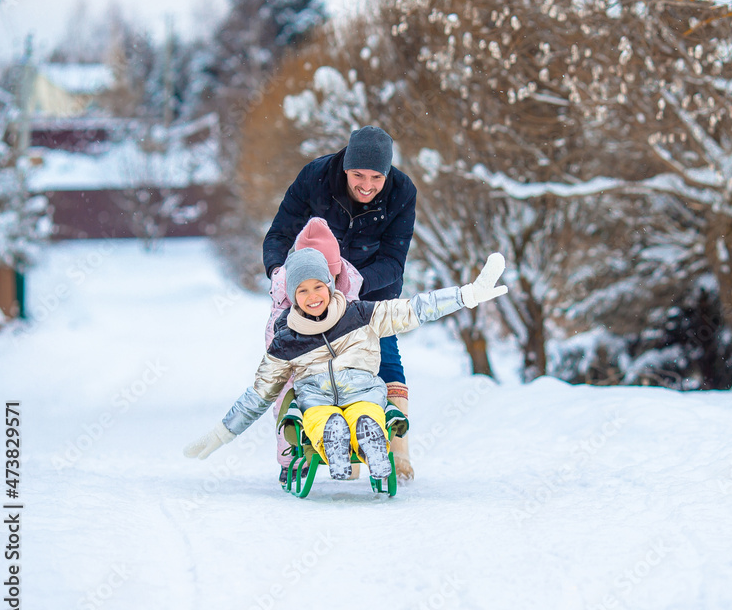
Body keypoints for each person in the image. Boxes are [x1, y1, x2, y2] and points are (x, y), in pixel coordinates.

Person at [183, 248, 508, 480]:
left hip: (362, 393)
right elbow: (260, 394)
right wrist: (221, 433)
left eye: (318, 287)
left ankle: (373, 446)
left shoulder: (360, 315)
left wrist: (466, 296)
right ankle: (334, 444)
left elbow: (413, 310)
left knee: (365, 412)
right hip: (317, 400)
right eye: (303, 290)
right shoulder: (287, 337)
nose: (313, 296)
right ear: (293, 296)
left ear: (330, 285)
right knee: (321, 419)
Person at [262, 125, 418, 479]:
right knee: (300, 369)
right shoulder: (315, 178)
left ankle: (396, 449)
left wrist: (351, 289)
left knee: (385, 358)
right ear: (345, 167)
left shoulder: (401, 191)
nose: (366, 184)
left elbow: (394, 261)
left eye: (376, 176)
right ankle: (301, 450)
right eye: (358, 174)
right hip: (314, 293)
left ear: (387, 173)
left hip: (372, 290)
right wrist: (281, 275)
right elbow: (280, 233)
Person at [266, 217, 362, 482]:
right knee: (287, 404)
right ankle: (290, 457)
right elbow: (276, 355)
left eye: (328, 278)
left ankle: (350, 442)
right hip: (295, 372)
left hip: (337, 373)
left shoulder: (347, 295)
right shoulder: (283, 311)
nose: (318, 291)